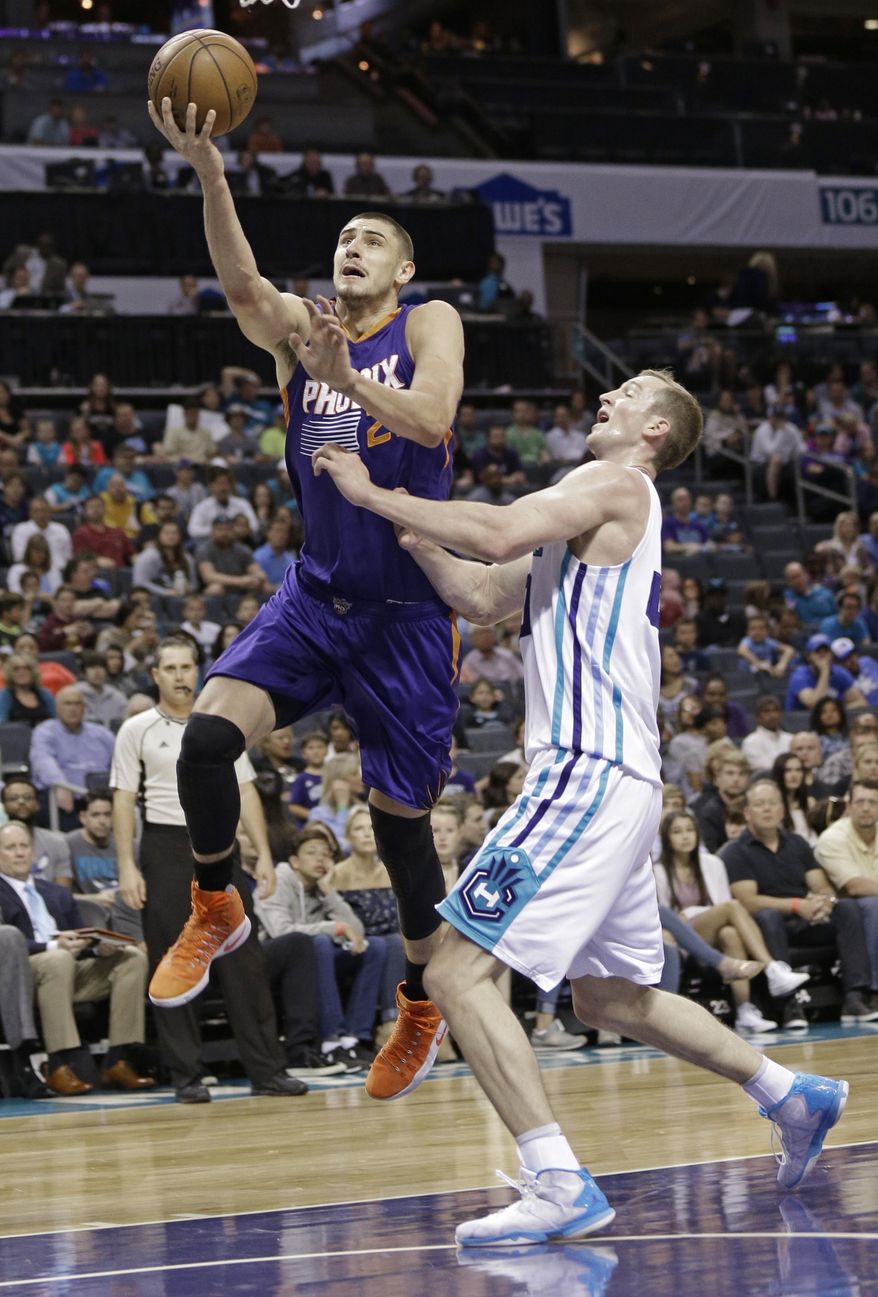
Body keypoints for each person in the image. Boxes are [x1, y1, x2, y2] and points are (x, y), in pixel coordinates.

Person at [312, 368, 848, 1245]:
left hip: (583, 774)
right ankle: (790, 1093)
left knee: (451, 972)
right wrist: (409, 534)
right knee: (609, 998)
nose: (609, 395)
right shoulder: (591, 520)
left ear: (655, 434)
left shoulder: (614, 484)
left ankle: (556, 1176)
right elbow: (486, 593)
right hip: (622, 783)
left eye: (632, 391)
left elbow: (496, 529)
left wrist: (373, 490)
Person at [144, 94, 466, 1101]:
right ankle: (214, 900)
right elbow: (240, 283)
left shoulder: (427, 321)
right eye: (342, 239)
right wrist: (207, 170)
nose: (352, 249)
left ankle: (417, 998)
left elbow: (431, 420)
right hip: (315, 599)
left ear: (402, 268)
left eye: (370, 239)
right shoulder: (302, 332)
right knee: (202, 741)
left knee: (403, 829)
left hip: (407, 617)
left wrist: (347, 379)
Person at [111, 635, 307, 1102]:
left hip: (218, 848)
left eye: (187, 667)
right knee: (170, 956)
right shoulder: (135, 729)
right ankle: (187, 1075)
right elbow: (122, 798)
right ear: (156, 675)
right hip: (162, 845)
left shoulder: (220, 723)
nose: (181, 676)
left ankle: (267, 1069)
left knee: (245, 958)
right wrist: (126, 865)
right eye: (171, 668)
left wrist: (261, 853)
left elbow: (246, 790)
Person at [0, 819, 152, 1095]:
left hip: (69, 967)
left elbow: (82, 935)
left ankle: (116, 1060)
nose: (20, 853)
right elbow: (6, 944)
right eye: (10, 848)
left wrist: (97, 949)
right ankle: (58, 1064)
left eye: (24, 846)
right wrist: (51, 947)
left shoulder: (57, 892)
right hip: (25, 974)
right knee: (58, 959)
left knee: (131, 957)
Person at [724, 779, 878, 1027]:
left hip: (806, 921)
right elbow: (748, 901)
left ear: (783, 810)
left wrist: (825, 901)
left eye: (772, 803)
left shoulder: (796, 843)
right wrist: (797, 905)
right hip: (765, 928)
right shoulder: (735, 851)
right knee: (767, 916)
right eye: (760, 804)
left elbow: (820, 884)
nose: (767, 809)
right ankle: (788, 1005)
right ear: (747, 812)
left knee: (847, 908)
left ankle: (855, 996)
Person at [655, 811, 807, 1035]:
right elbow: (666, 917)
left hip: (709, 932)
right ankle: (772, 968)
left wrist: (693, 912)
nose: (685, 837)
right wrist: (692, 914)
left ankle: (744, 1011)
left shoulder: (713, 863)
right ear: (667, 838)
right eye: (677, 832)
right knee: (733, 907)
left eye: (689, 830)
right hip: (678, 937)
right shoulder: (658, 870)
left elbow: (721, 902)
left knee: (730, 934)